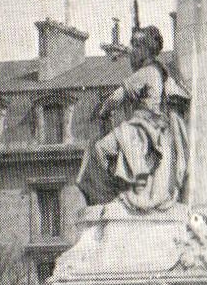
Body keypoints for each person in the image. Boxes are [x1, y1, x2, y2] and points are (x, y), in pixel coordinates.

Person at [77, 26, 190, 212]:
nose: (132, 51)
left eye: (136, 46)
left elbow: (116, 98)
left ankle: (110, 195)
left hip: (143, 126)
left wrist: (103, 112)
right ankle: (120, 192)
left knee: (100, 149)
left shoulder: (145, 73)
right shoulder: (161, 71)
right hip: (157, 127)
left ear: (146, 49)